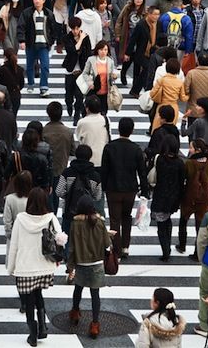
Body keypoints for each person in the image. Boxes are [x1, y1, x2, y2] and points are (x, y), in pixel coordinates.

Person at [7, 187, 63, 347]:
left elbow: (14, 246)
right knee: (38, 294)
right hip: (44, 265)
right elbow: (60, 239)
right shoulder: (51, 218)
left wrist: (11, 268)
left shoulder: (20, 219)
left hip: (25, 266)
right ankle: (42, 326)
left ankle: (32, 333)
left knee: (29, 298)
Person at [101, 117, 148, 258]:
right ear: (132, 131)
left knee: (114, 219)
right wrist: (144, 190)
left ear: (118, 129)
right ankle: (125, 247)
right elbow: (142, 172)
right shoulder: (136, 149)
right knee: (126, 217)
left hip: (113, 189)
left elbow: (104, 170)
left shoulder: (109, 147)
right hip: (130, 189)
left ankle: (116, 249)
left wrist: (103, 187)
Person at [67, 195, 112, 339]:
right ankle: (94, 324)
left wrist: (70, 265)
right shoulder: (99, 222)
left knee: (78, 289)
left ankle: (75, 312)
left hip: (81, 262)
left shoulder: (75, 224)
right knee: (95, 294)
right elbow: (106, 244)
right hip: (97, 263)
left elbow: (72, 246)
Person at [177, 139, 208, 260]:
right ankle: (197, 252)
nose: (189, 150)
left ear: (197, 150)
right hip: (204, 197)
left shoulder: (189, 163)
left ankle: (182, 245)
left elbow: (184, 180)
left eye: (191, 147)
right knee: (199, 225)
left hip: (189, 196)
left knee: (183, 220)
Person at [151, 135, 186, 262]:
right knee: (167, 219)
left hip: (161, 195)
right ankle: (168, 245)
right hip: (174, 197)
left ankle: (165, 249)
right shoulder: (180, 163)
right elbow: (182, 182)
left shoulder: (160, 160)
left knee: (161, 223)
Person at [17, 0, 53, 97]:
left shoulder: (48, 13)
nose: (37, 1)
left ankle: (44, 86)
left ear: (44, 0)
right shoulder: (27, 13)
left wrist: (52, 41)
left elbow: (54, 28)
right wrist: (22, 40)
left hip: (44, 44)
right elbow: (21, 27)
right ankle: (31, 83)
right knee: (30, 65)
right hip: (31, 43)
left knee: (45, 66)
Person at [125, 5, 161, 97]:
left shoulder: (158, 24)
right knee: (146, 69)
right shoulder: (141, 24)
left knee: (146, 71)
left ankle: (139, 89)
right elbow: (133, 39)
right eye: (154, 14)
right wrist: (128, 53)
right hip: (141, 51)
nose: (156, 16)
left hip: (153, 51)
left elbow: (158, 37)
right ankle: (135, 90)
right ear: (149, 14)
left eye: (158, 14)